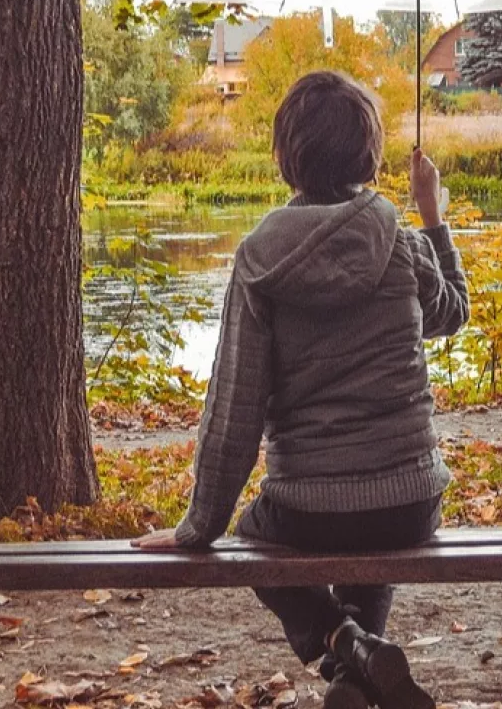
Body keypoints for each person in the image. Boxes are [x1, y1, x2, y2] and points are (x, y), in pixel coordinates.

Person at [133, 70, 469, 709]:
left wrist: (199, 528)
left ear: (285, 156)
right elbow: (451, 314)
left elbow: (235, 406)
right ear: (368, 155)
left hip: (306, 510)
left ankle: (342, 639)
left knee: (252, 530)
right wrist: (433, 216)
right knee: (375, 520)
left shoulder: (260, 261)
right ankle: (359, 671)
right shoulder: (402, 244)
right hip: (412, 500)